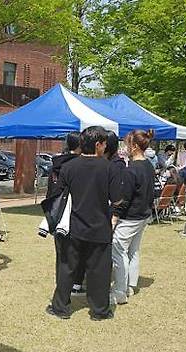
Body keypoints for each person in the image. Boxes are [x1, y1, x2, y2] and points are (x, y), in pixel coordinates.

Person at [46, 126, 118, 321]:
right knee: (99, 271)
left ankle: (60, 307)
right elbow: (118, 198)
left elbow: (58, 195)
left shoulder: (69, 167)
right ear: (98, 144)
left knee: (66, 267)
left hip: (73, 226)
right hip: (100, 226)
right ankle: (100, 311)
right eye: (104, 143)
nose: (105, 147)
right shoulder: (109, 167)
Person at [110, 129, 156, 305]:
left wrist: (115, 217)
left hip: (131, 217)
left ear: (134, 146)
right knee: (133, 250)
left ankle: (120, 291)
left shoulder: (132, 170)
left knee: (119, 251)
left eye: (127, 143)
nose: (125, 147)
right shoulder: (148, 166)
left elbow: (124, 198)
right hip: (143, 215)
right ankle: (130, 285)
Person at [47, 132, 86, 296]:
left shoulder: (56, 164)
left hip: (57, 213)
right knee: (77, 252)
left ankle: (61, 285)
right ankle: (75, 284)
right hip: (75, 213)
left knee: (61, 254)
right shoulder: (79, 165)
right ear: (79, 146)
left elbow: (51, 191)